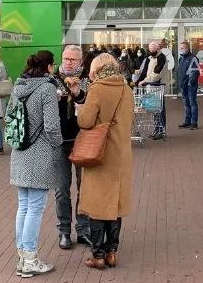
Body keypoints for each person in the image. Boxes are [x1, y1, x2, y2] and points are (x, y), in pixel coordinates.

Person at [9, 50, 67, 278]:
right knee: (35, 207)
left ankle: (22, 257)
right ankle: (31, 258)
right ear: (50, 66)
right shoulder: (46, 89)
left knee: (23, 206)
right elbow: (52, 126)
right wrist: (59, 143)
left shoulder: (19, 86)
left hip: (19, 151)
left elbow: (10, 116)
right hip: (40, 153)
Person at [76, 54, 133, 270]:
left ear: (97, 68)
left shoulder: (97, 88)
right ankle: (112, 252)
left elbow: (86, 121)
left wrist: (80, 109)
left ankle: (98, 255)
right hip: (121, 154)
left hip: (99, 153)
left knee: (97, 204)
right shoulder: (127, 89)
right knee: (115, 203)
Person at [53, 45, 92, 250]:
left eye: (73, 59)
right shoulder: (52, 80)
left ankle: (83, 230)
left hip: (82, 141)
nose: (68, 62)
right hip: (59, 142)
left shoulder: (87, 81)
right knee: (62, 190)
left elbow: (91, 108)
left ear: (80, 62)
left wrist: (78, 94)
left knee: (84, 188)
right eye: (66, 58)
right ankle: (64, 231)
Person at [136, 41, 169, 140]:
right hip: (152, 87)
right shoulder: (151, 58)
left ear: (158, 49)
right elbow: (149, 72)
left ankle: (160, 131)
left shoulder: (161, 58)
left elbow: (156, 75)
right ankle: (156, 130)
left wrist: (144, 81)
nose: (151, 52)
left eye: (153, 51)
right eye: (150, 51)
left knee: (160, 110)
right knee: (155, 110)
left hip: (158, 87)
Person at [177, 41, 200, 130]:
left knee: (192, 103)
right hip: (183, 85)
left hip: (191, 86)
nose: (181, 50)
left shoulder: (193, 58)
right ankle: (187, 121)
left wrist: (191, 82)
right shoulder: (181, 58)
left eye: (183, 48)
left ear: (187, 48)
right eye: (181, 48)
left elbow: (195, 72)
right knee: (186, 104)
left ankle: (194, 123)